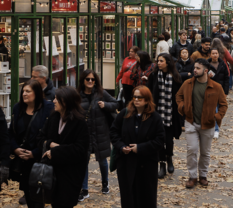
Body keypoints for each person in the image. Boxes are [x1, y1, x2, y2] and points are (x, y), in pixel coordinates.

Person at [176, 59, 228, 189]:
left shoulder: (216, 87)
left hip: (208, 124)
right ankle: (192, 176)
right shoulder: (187, 84)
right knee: (191, 150)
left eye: (198, 68)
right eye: (194, 67)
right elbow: (178, 96)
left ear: (205, 70)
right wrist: (183, 108)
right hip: (191, 122)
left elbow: (223, 104)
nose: (195, 70)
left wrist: (216, 117)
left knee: (205, 152)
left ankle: (203, 176)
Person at [34, 87, 89, 208]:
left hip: (70, 176)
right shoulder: (53, 117)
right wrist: (50, 144)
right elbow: (40, 138)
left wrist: (56, 151)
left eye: (56, 99)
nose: (53, 101)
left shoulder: (80, 122)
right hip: (52, 174)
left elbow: (80, 150)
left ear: (65, 102)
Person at [110, 86, 165, 208]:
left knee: (146, 198)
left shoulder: (155, 118)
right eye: (134, 97)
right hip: (126, 164)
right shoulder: (125, 114)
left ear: (147, 100)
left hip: (147, 166)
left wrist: (140, 148)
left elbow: (160, 140)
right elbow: (114, 132)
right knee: (128, 197)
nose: (136, 100)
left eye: (140, 97)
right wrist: (121, 146)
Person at [9, 80, 54, 208]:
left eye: (28, 91)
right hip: (23, 162)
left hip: (40, 161)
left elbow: (50, 136)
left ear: (37, 93)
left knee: (38, 199)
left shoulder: (48, 109)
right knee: (29, 196)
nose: (24, 94)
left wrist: (34, 153)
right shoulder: (18, 108)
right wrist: (15, 149)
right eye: (23, 91)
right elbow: (11, 133)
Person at [77, 70, 118, 201]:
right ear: (83, 80)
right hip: (84, 134)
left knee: (102, 160)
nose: (90, 81)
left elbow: (116, 103)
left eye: (92, 79)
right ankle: (84, 189)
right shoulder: (77, 95)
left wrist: (106, 105)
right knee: (83, 161)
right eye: (87, 79)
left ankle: (105, 184)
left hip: (100, 132)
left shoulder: (101, 93)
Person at [147, 53, 182, 179]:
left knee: (169, 140)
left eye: (161, 61)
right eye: (158, 61)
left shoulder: (176, 76)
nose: (158, 63)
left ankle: (169, 158)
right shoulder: (154, 75)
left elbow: (180, 95)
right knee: (160, 141)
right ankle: (162, 164)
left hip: (171, 114)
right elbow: (149, 92)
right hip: (157, 114)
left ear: (168, 62)